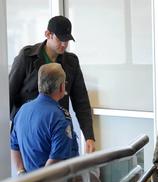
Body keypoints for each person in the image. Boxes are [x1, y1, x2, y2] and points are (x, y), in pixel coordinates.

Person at [9, 15, 95, 154]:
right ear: (48, 34)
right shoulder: (27, 57)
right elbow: (8, 94)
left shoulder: (71, 62)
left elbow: (81, 101)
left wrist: (89, 136)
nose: (64, 44)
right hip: (31, 133)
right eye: (60, 39)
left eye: (67, 40)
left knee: (64, 171)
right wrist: (18, 128)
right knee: (34, 174)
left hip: (59, 131)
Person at [11, 63, 78, 174]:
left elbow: (14, 145)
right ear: (62, 87)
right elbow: (56, 159)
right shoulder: (60, 118)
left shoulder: (23, 110)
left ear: (39, 84)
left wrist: (21, 172)